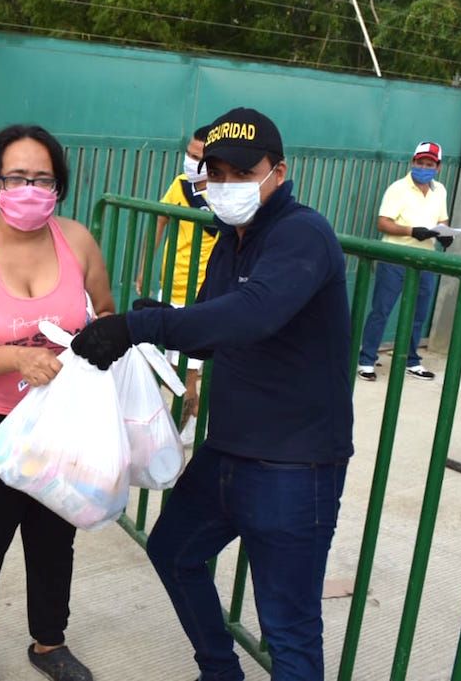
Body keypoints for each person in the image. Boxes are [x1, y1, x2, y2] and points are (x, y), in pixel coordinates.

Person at [71, 108, 353, 681]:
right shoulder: (231, 239)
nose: (225, 185)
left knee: (288, 627)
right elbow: (215, 325)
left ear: (279, 171)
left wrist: (137, 326)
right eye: (215, 172)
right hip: (229, 448)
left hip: (294, 465)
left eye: (242, 173)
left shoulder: (303, 233)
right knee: (173, 551)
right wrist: (163, 316)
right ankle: (219, 671)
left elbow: (253, 315)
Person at [0, 124, 115, 681]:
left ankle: (48, 643)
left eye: (43, 179)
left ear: (59, 186)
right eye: (17, 178)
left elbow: (102, 310)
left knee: (55, 539)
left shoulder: (77, 241)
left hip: (61, 425)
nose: (30, 189)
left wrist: (107, 335)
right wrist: (16, 359)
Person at [356, 141, 452, 382]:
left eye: (429, 163)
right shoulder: (398, 189)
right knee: (382, 310)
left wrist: (445, 236)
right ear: (412, 162)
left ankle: (411, 360)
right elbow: (383, 222)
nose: (424, 167)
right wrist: (411, 231)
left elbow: (443, 221)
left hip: (425, 260)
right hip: (395, 257)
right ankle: (366, 359)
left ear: (438, 167)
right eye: (420, 162)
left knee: (418, 313)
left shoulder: (440, 190)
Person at [139, 124, 216, 419]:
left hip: (200, 295)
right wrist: (146, 267)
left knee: (188, 373)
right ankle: (190, 421)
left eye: (199, 156)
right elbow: (160, 221)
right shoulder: (181, 184)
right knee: (171, 366)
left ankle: (185, 430)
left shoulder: (225, 196)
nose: (191, 160)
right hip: (171, 286)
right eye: (189, 153)